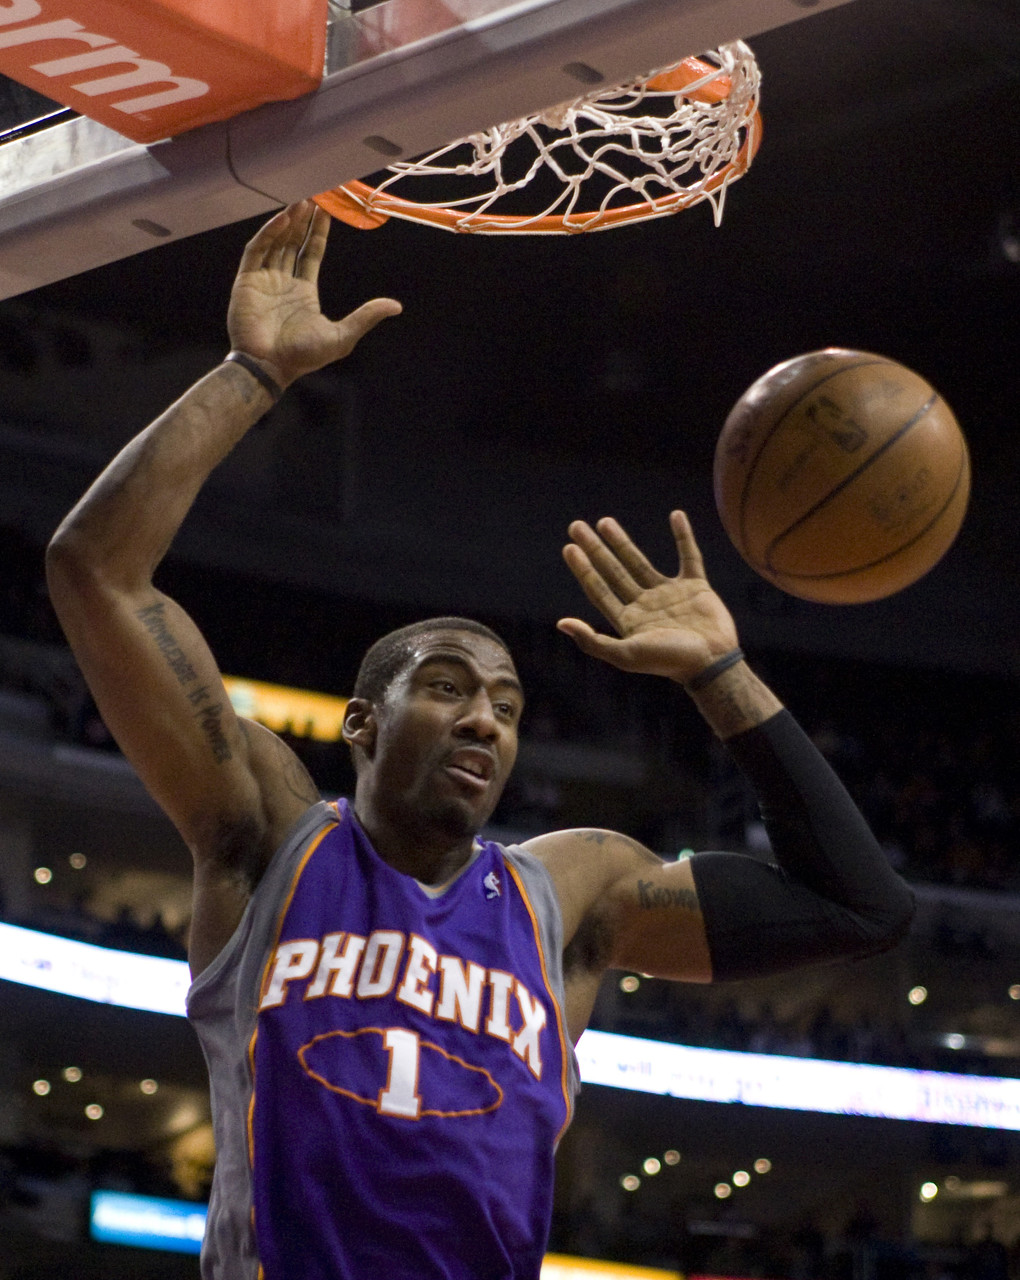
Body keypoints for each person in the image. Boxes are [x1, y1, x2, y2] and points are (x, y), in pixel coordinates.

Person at [46, 201, 914, 1280]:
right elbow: (96, 571)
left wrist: (720, 674)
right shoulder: (268, 833)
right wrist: (252, 373)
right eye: (448, 687)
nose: (483, 718)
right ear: (361, 722)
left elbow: (862, 906)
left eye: (507, 704)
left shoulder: (570, 895)